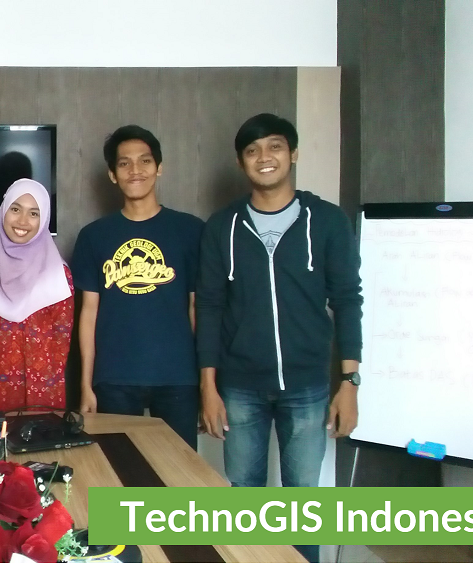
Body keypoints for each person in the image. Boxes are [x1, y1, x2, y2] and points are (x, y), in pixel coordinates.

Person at [195, 113, 363, 563]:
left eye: (274, 146)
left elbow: (348, 301)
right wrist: (208, 387)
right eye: (252, 150)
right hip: (239, 385)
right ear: (241, 162)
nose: (264, 157)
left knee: (302, 497)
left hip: (307, 385)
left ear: (293, 153)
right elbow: (208, 307)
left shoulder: (327, 221)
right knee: (244, 493)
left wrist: (349, 383)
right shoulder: (222, 226)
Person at [71, 125, 204, 449]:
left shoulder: (190, 230)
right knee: (118, 467)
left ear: (159, 167)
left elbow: (197, 309)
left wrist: (205, 383)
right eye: (124, 163)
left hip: (178, 377)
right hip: (114, 377)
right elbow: (88, 314)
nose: (135, 170)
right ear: (112, 174)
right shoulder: (94, 236)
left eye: (145, 161)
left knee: (178, 469)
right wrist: (86, 385)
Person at [0, 179, 74, 412]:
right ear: (3, 211)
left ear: (44, 220)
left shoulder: (58, 274)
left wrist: (43, 376)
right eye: (15, 209)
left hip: (40, 388)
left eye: (34, 213)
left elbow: (62, 338)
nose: (23, 221)